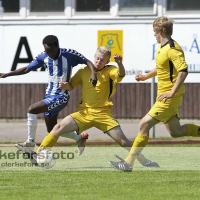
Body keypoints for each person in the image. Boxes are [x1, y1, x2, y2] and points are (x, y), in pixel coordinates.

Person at [25, 46, 159, 168]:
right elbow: (71, 86)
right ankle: (39, 154)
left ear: (107, 62)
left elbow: (121, 75)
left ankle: (144, 161)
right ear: (94, 57)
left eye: (102, 60)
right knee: (57, 128)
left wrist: (119, 63)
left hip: (103, 114)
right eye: (97, 58)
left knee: (124, 142)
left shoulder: (110, 70)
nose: (98, 61)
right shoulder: (84, 71)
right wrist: (66, 86)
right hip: (84, 113)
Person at [109, 16, 200, 172]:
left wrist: (171, 92)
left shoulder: (173, 49)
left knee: (143, 124)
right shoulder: (162, 48)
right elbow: (162, 68)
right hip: (165, 96)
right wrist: (145, 77)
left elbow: (183, 71)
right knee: (176, 131)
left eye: (154, 32)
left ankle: (128, 163)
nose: (153, 35)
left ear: (160, 31)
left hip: (169, 98)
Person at [0, 35, 97, 155]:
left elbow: (87, 61)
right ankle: (79, 138)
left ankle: (30, 143)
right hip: (49, 96)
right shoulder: (43, 56)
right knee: (52, 130)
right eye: (46, 50)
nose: (48, 53)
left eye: (50, 50)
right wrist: (7, 74)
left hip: (61, 96)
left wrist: (93, 73)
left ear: (57, 46)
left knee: (32, 109)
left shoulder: (69, 54)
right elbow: (26, 69)